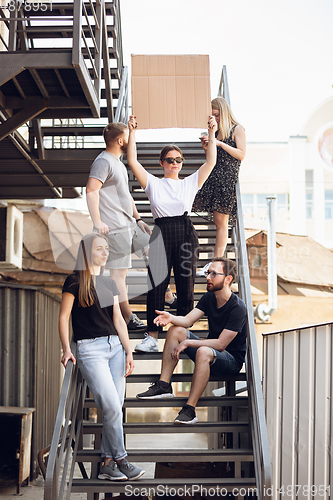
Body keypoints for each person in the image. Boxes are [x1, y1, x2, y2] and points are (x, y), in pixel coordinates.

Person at [126, 114, 217, 353]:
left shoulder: (189, 183)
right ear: (161, 162)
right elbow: (133, 161)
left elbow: (211, 163)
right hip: (162, 231)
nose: (174, 163)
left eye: (178, 159)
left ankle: (181, 333)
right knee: (157, 284)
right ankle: (152, 337)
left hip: (186, 232)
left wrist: (213, 134)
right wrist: (132, 131)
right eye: (169, 159)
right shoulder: (153, 183)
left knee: (186, 285)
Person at [59, 233, 145, 481]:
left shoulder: (108, 283)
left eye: (107, 249)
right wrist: (67, 348)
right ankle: (121, 459)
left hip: (115, 348)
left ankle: (107, 463)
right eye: (100, 248)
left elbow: (118, 319)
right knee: (110, 406)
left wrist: (129, 351)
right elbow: (64, 317)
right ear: (87, 252)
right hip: (90, 349)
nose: (105, 252)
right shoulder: (74, 281)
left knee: (115, 407)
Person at [136, 257, 247, 425]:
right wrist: (171, 317)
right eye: (208, 273)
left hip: (230, 361)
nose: (208, 277)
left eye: (213, 274)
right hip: (210, 354)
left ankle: (190, 410)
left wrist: (188, 343)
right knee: (176, 330)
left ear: (228, 279)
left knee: (203, 350)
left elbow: (221, 344)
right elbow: (187, 321)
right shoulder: (209, 298)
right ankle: (164, 385)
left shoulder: (238, 308)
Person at [86, 122, 151, 332]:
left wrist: (139, 218)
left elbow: (126, 195)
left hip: (129, 224)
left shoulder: (118, 163)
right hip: (114, 229)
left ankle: (167, 295)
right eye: (129, 137)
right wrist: (97, 221)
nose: (132, 141)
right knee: (118, 276)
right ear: (120, 141)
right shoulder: (103, 162)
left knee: (156, 252)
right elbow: (91, 190)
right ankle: (129, 317)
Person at [193, 97, 246, 261]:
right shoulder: (215, 132)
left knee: (220, 223)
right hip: (213, 177)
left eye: (216, 115)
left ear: (224, 112)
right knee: (191, 207)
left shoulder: (237, 129)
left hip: (226, 180)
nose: (214, 119)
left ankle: (217, 261)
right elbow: (212, 159)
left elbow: (241, 154)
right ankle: (213, 259)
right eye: (212, 116)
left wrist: (220, 144)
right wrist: (206, 148)